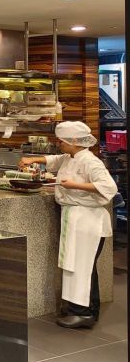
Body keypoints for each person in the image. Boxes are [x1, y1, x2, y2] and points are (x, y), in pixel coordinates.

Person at [19, 121, 117, 329]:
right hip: (75, 218)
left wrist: (75, 185)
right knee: (77, 266)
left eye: (61, 141)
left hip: (88, 221)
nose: (59, 144)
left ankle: (84, 313)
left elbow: (109, 187)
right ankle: (79, 309)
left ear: (74, 141)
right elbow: (54, 159)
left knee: (82, 267)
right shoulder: (70, 157)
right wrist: (32, 159)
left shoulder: (91, 162)